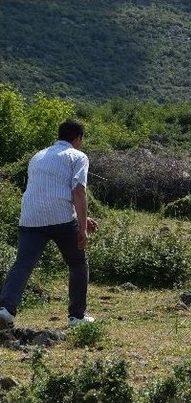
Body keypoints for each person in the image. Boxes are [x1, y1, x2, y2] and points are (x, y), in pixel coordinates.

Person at [0, 120, 98, 329]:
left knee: (23, 264)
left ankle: (5, 310)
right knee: (77, 263)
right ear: (78, 138)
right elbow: (78, 191)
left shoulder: (38, 156)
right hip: (62, 219)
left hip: (30, 217)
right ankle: (76, 317)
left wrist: (82, 217)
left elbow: (46, 190)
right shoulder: (78, 156)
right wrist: (82, 228)